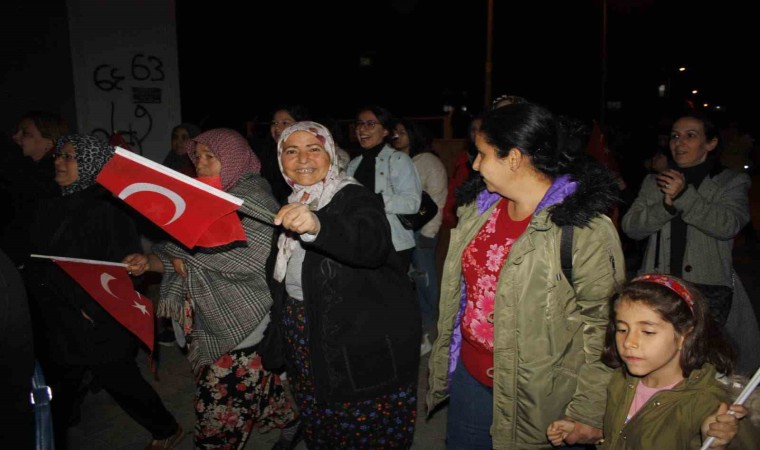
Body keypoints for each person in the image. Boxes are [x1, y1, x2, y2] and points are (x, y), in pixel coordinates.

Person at [426, 103, 626, 449]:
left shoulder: (583, 229)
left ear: (514, 158)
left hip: (539, 393)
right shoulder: (479, 211)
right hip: (472, 377)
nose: (475, 165)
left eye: (483, 154)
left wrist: (588, 410)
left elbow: (604, 326)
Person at [123, 128, 298, 450]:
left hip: (242, 316)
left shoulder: (253, 198)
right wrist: (149, 262)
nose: (201, 163)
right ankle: (288, 419)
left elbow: (250, 256)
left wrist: (183, 257)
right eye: (198, 156)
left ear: (232, 159)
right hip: (207, 310)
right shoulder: (204, 197)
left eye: (210, 156)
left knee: (218, 410)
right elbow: (183, 252)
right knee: (255, 383)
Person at [264, 121, 420, 448]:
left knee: (361, 428)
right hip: (305, 337)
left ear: (331, 154)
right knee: (321, 424)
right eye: (291, 151)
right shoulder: (295, 198)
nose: (302, 159)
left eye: (314, 149)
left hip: (357, 343)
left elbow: (371, 244)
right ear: (280, 159)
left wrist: (318, 226)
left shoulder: (354, 196)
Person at [24, 135, 182, 450]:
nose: (59, 162)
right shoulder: (52, 201)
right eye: (59, 155)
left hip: (95, 317)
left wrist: (93, 310)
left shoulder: (108, 208)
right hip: (59, 313)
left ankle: (165, 428)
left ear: (90, 163)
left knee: (118, 378)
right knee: (61, 382)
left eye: (69, 157)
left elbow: (123, 269)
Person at [548, 274, 759, 449]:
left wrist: (716, 443)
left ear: (685, 336)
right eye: (622, 329)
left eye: (647, 332)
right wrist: (588, 433)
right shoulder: (621, 381)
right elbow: (625, 434)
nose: (629, 342)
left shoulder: (708, 404)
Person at [621, 111, 760, 374]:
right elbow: (632, 227)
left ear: (711, 143)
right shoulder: (655, 181)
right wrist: (666, 206)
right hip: (660, 286)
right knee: (660, 361)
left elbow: (727, 225)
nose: (679, 142)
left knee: (700, 363)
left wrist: (684, 196)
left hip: (707, 289)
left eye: (690, 136)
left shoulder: (730, 181)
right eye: (675, 136)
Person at [391, 118, 448, 354]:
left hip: (421, 229)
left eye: (402, 132)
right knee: (414, 277)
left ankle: (431, 325)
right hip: (404, 229)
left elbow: (437, 198)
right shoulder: (400, 160)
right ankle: (421, 322)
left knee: (425, 278)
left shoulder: (427, 161)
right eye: (395, 131)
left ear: (414, 135)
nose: (396, 135)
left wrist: (429, 232)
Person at [347, 105, 422, 268]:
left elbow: (412, 203)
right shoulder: (353, 165)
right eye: (360, 123)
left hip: (392, 244)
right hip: (360, 242)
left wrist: (376, 200)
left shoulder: (399, 160)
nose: (362, 129)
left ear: (385, 131)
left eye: (370, 124)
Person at [1, 111, 68, 266]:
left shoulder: (47, 178)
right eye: (17, 132)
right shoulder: (24, 173)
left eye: (26, 133)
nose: (16, 137)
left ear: (49, 142)